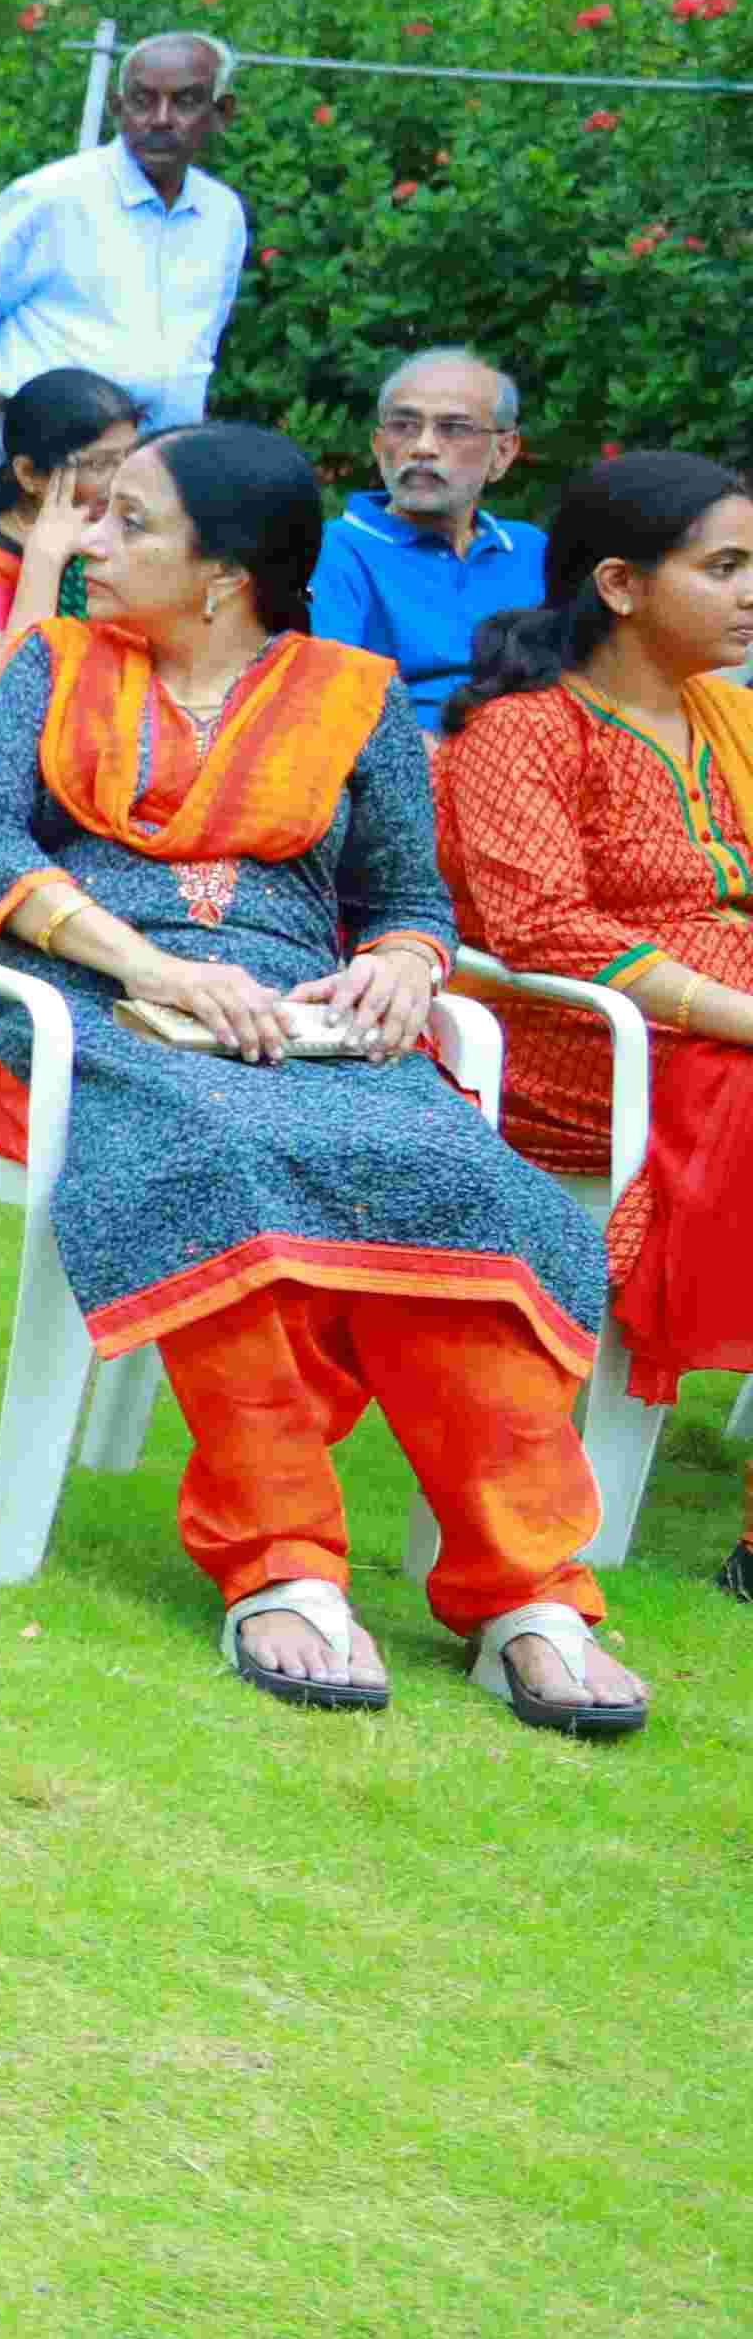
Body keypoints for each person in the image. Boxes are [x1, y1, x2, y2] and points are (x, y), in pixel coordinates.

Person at [0, 425, 642, 1735]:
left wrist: (404, 963)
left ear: (224, 574)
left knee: (455, 1174)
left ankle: (526, 1587)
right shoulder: (53, 663)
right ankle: (283, 1560)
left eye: (129, 522)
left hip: (294, 1019)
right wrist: (150, 965)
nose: (89, 544)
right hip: (78, 1009)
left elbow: (409, 893)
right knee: (212, 1152)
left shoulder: (354, 697)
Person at [435, 448, 753, 1609]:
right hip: (585, 1047)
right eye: (725, 567)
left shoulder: (725, 716)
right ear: (620, 583)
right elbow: (540, 927)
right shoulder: (527, 730)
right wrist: (737, 1014)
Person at [0, 34, 249, 511]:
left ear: (221, 112)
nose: (161, 119)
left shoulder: (222, 215)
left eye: (185, 101)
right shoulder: (51, 198)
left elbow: (202, 341)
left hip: (159, 469)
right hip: (42, 463)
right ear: (117, 108)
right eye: (142, 100)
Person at [307, 348, 543, 733]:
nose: (423, 447)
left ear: (503, 452)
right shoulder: (331, 552)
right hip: (405, 759)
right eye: (403, 426)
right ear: (378, 445)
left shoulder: (530, 550)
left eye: (454, 428)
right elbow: (332, 707)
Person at [0, 367, 160, 712]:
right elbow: (2, 700)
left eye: (129, 458)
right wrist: (45, 560)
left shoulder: (112, 538)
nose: (122, 480)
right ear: (29, 474)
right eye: (100, 465)